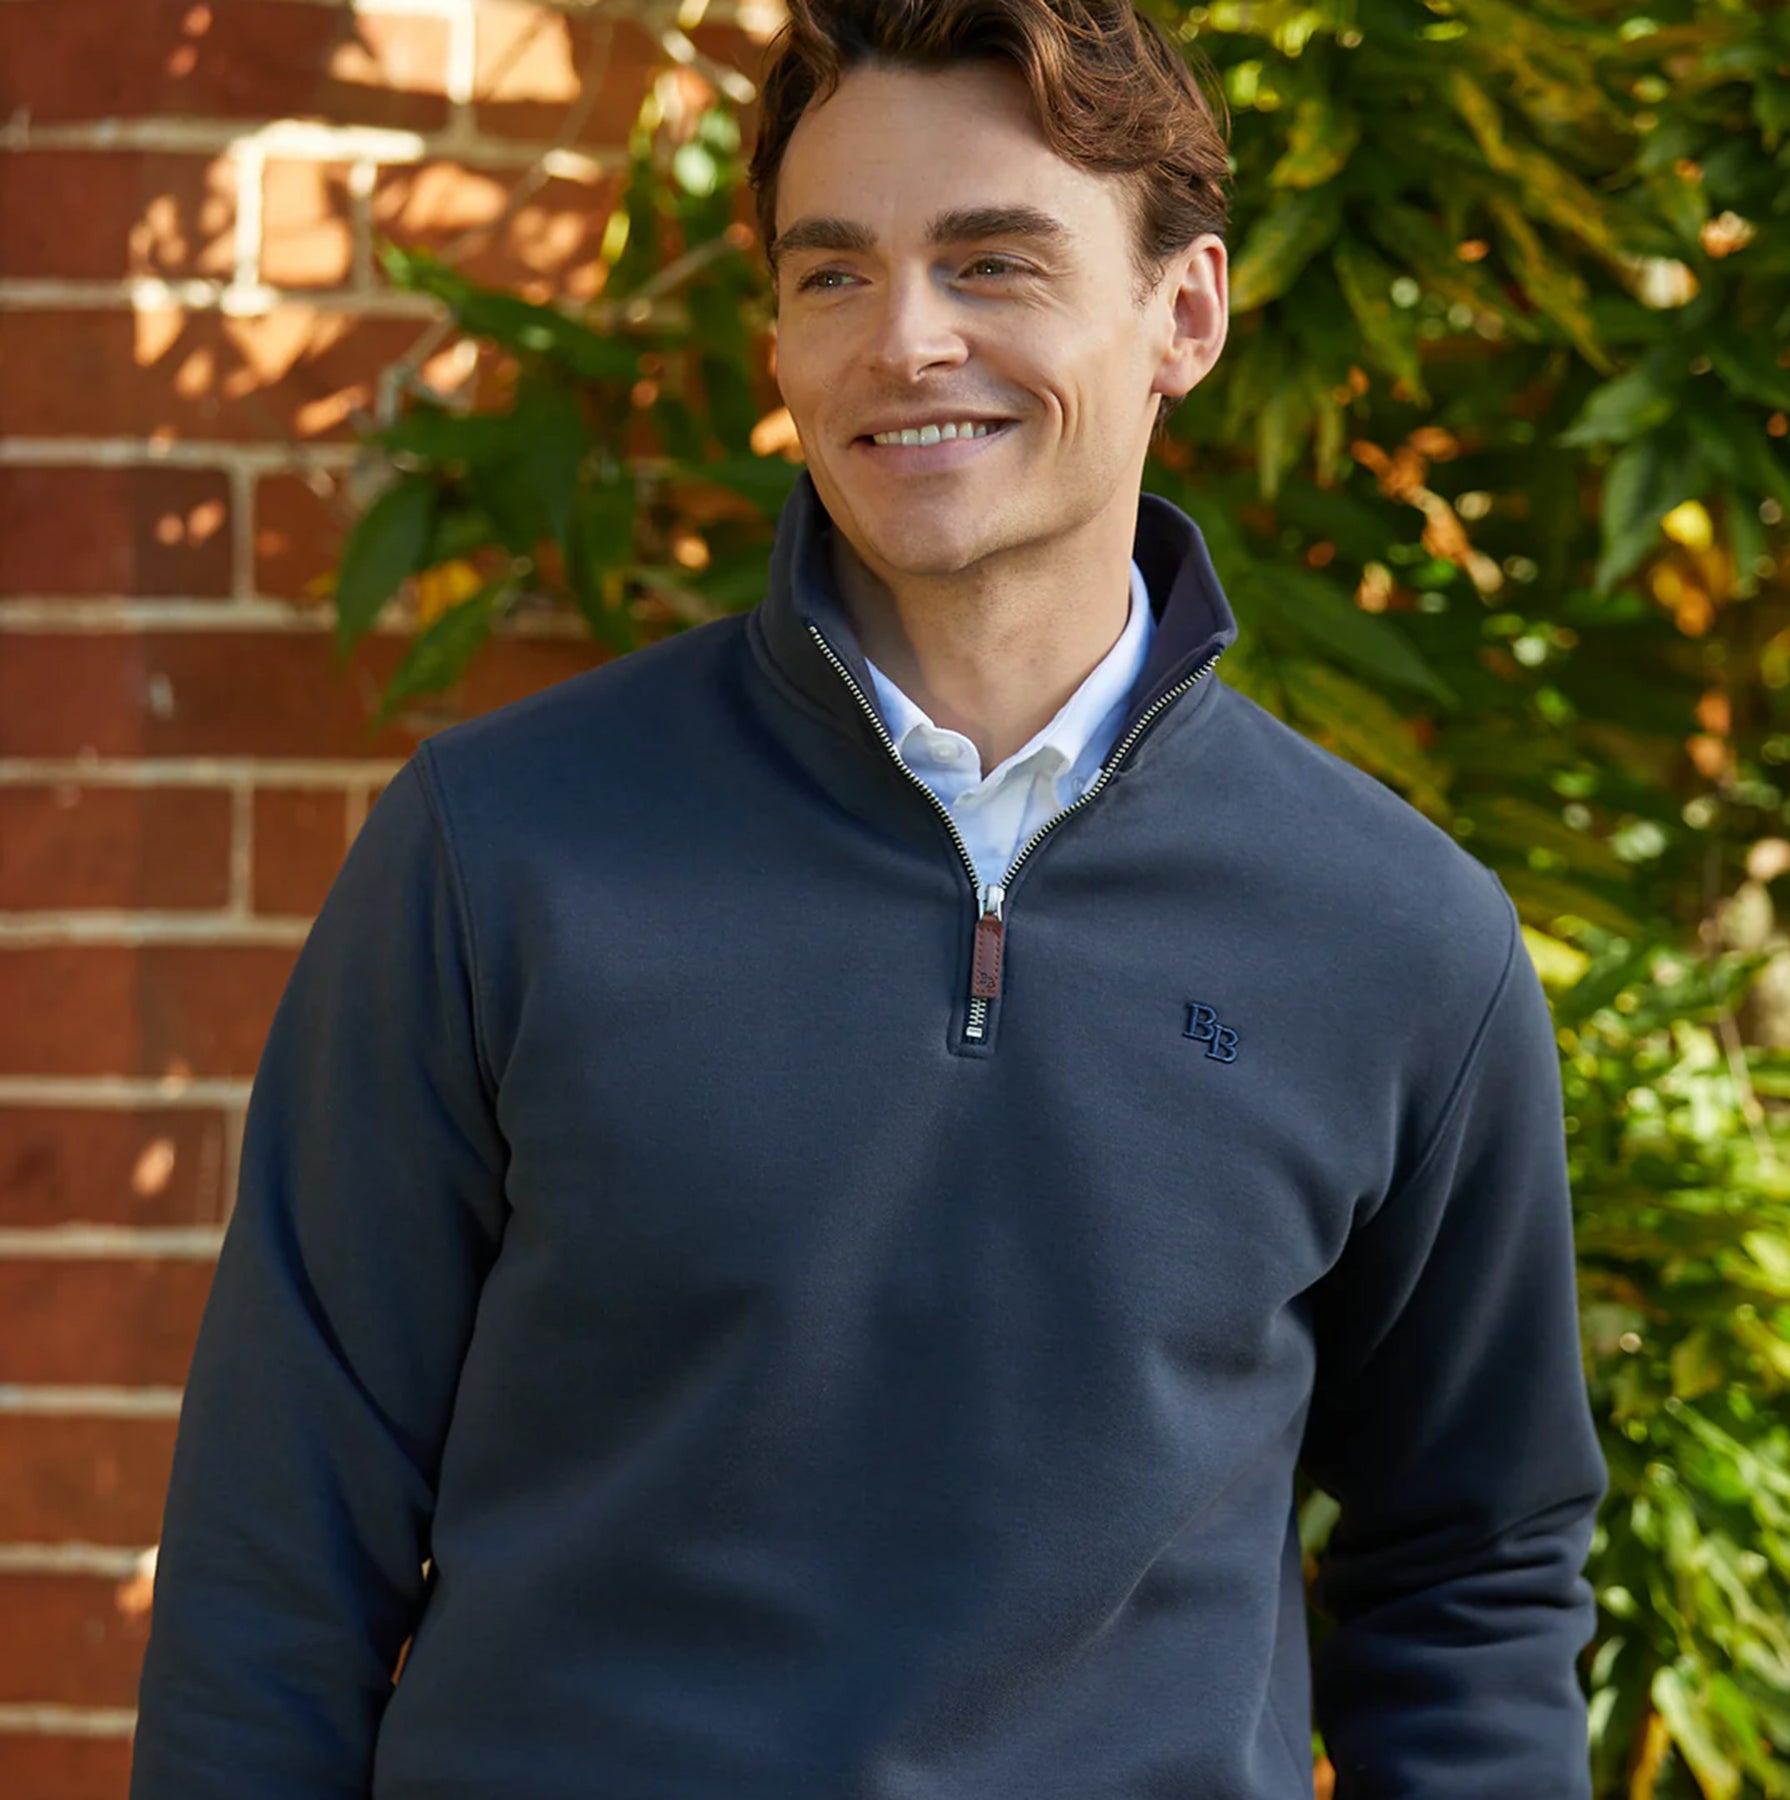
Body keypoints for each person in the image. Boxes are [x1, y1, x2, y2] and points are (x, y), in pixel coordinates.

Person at [130, 2, 1608, 1795]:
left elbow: (1474, 1570)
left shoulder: (1398, 939)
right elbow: (276, 1555)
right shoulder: (496, 852)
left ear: (1187, 314)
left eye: (993, 263)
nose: (906, 341)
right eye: (833, 274)